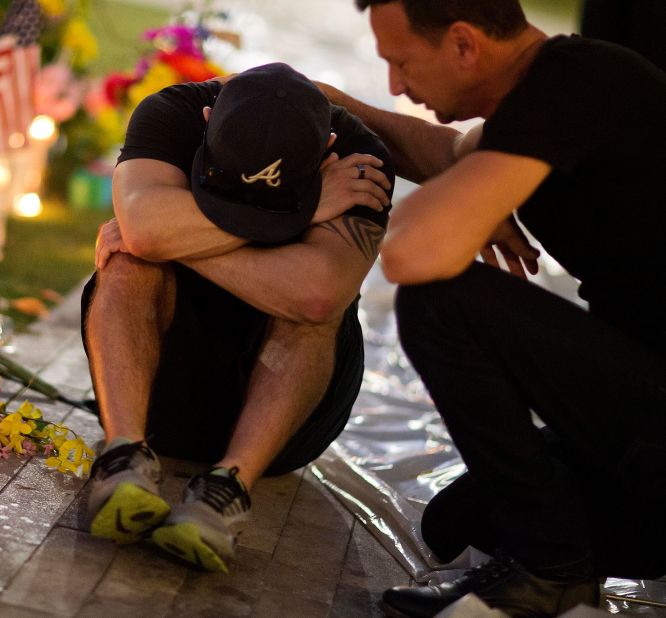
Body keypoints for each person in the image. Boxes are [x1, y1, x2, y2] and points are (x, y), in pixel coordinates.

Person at [320, 1, 666, 615]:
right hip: (641, 409)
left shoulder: (583, 79)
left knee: (441, 302)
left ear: (463, 44)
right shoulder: (536, 102)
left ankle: (553, 574)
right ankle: (553, 562)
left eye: (401, 63)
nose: (396, 85)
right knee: (462, 520)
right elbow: (443, 151)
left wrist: (469, 203)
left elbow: (414, 255)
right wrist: (324, 103)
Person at [80, 62, 394, 573]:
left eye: (271, 202)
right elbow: (142, 234)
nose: (249, 212)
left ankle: (227, 490)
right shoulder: (170, 114)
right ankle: (123, 458)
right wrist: (304, 212)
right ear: (206, 122)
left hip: (290, 426)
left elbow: (316, 294)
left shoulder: (361, 160)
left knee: (308, 304)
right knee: (130, 262)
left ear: (325, 150)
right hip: (164, 392)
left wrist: (169, 238)